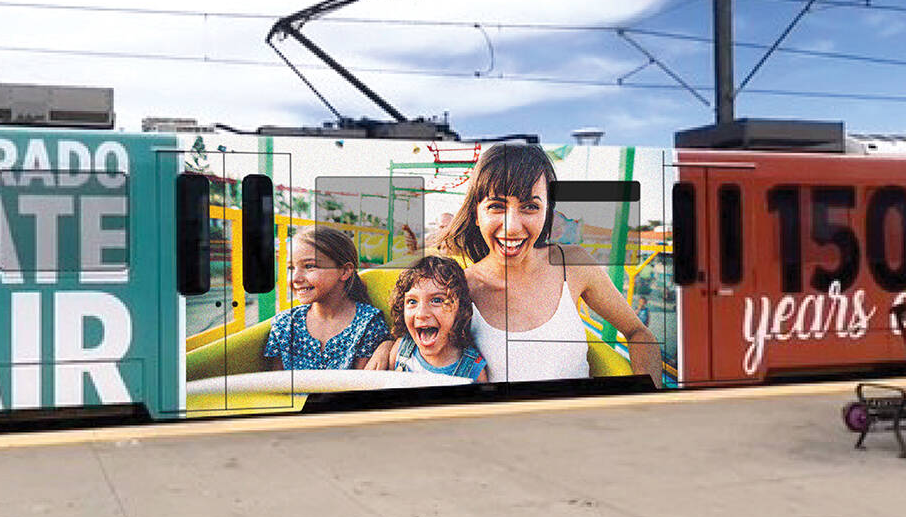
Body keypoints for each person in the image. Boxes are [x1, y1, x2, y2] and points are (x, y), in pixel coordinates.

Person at [431, 143, 662, 385]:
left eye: (530, 207)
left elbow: (639, 333)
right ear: (476, 214)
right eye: (496, 206)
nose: (512, 227)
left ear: (547, 212)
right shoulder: (458, 290)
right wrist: (387, 346)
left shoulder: (572, 265)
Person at [263, 227, 389, 373]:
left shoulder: (368, 324)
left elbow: (361, 388)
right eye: (290, 268)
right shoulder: (284, 325)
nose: (296, 278)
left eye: (309, 266)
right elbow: (275, 387)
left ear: (345, 271)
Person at [379, 255, 487, 385]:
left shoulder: (472, 369)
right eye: (412, 301)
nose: (422, 314)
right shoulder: (401, 350)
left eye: (437, 300)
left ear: (460, 308)